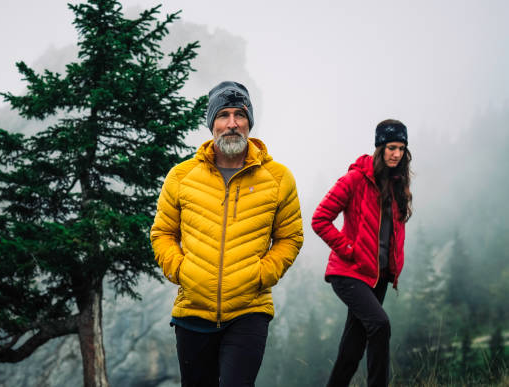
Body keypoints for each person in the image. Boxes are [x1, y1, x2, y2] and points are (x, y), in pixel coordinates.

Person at [151, 81, 303, 387]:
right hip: (192, 310)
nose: (232, 123)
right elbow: (163, 233)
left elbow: (290, 237)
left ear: (249, 122)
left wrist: (262, 274)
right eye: (223, 115)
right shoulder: (181, 176)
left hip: (249, 311)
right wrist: (182, 270)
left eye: (239, 115)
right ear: (211, 124)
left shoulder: (278, 178)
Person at [311, 119, 412, 387]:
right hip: (349, 271)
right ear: (379, 147)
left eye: (401, 148)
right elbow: (319, 219)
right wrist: (347, 248)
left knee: (352, 348)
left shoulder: (397, 184)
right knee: (380, 325)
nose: (396, 154)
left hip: (377, 276)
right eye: (391, 147)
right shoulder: (356, 178)